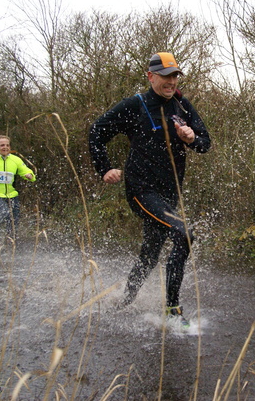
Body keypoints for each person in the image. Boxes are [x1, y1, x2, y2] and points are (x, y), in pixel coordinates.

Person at [89, 52, 211, 327]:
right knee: (184, 235)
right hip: (141, 190)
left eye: (175, 76)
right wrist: (104, 168)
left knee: (150, 253)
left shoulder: (182, 104)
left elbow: (205, 143)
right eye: (166, 76)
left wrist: (192, 138)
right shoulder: (136, 104)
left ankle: (124, 301)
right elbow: (97, 130)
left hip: (169, 194)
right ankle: (173, 311)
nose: (171, 82)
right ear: (151, 76)